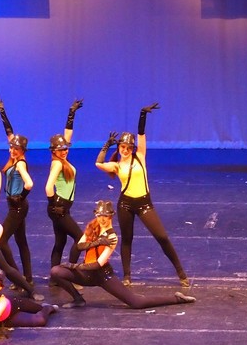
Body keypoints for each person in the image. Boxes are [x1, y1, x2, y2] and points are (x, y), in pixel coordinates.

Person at [95, 103, 190, 288]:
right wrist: (106, 145)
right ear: (119, 147)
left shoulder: (140, 156)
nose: (125, 150)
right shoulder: (116, 166)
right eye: (122, 147)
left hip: (144, 204)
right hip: (125, 205)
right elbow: (98, 163)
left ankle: (181, 273)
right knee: (127, 239)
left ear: (132, 148)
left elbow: (141, 134)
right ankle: (127, 276)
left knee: (162, 237)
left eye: (128, 147)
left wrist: (142, 115)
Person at [50, 200, 196, 309]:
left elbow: (98, 264)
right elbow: (80, 245)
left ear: (111, 216)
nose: (101, 219)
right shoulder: (92, 227)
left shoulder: (112, 236)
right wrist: (97, 242)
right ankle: (78, 299)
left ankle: (176, 299)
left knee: (136, 303)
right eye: (99, 215)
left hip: (102, 275)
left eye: (105, 216)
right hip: (86, 274)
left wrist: (74, 266)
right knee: (56, 271)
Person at [0, 96, 35, 288]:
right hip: (16, 205)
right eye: (11, 147)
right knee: (21, 241)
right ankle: (27, 278)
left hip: (17, 207)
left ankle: (17, 277)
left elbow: (29, 183)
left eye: (16, 148)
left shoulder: (21, 164)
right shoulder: (15, 159)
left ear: (22, 150)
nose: (12, 150)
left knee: (1, 241)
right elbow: (10, 133)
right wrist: (2, 112)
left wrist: (20, 197)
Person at [44, 99, 85, 272]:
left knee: (60, 242)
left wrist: (71, 114)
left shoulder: (63, 159)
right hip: (59, 207)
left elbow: (67, 137)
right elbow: (48, 187)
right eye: (61, 150)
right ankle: (70, 271)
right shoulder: (57, 163)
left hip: (61, 207)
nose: (65, 151)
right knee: (80, 238)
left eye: (66, 149)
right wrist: (54, 204)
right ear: (54, 151)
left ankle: (55, 277)